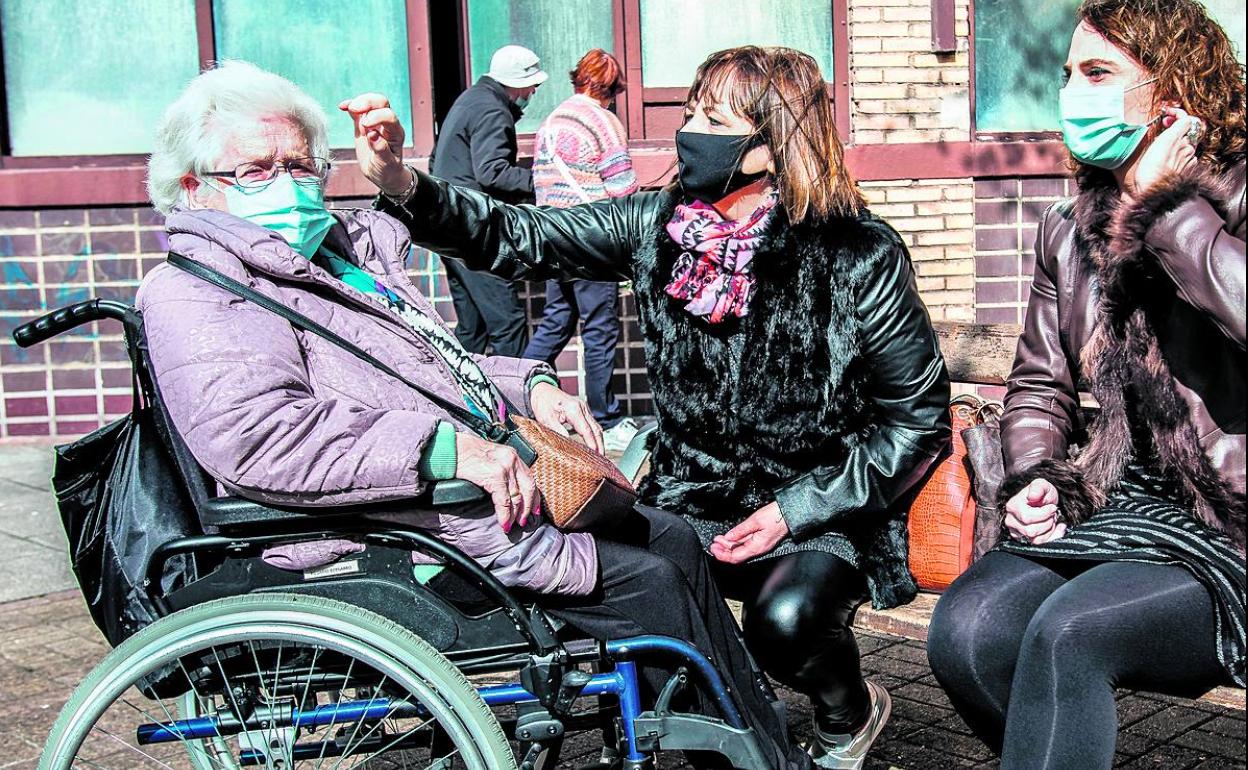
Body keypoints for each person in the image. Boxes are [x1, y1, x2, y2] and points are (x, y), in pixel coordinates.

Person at [139, 60, 812, 770]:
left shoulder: (328, 264)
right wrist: (446, 450)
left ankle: (751, 743)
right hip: (393, 529)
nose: (287, 183)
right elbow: (260, 437)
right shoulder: (199, 292)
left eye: (299, 165)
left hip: (460, 504)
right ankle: (740, 751)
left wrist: (534, 386)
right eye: (254, 171)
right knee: (651, 584)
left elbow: (436, 369)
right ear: (193, 187)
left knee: (671, 539)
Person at [345, 44, 950, 768]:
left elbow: (915, 421)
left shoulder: (856, 253)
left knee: (785, 622)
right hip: (691, 491)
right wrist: (404, 183)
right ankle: (722, 742)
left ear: (768, 147)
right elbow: (519, 234)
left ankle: (846, 711)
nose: (688, 130)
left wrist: (796, 509)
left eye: (711, 118)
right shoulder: (655, 227)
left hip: (819, 499)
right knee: (618, 590)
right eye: (689, 110)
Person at [926, 1, 1246, 767]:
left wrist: (1169, 212)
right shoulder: (1070, 227)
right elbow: (1040, 383)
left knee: (1070, 631)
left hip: (1231, 521)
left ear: (1174, 92)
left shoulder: (1234, 195)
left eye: (1098, 73)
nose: (1073, 92)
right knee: (967, 634)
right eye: (1068, 74)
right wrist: (1039, 475)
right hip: (1129, 507)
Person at [526, 48, 640, 453]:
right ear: (610, 89)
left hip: (554, 234)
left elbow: (540, 183)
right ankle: (606, 419)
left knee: (557, 318)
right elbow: (623, 190)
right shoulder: (604, 122)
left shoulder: (552, 121)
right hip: (591, 238)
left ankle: (519, 395)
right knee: (600, 327)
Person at [432, 44, 546, 356]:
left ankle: (454, 400)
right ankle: (519, 400)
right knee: (507, 324)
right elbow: (492, 172)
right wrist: (543, 182)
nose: (534, 90)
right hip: (471, 232)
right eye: (533, 84)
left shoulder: (471, 99)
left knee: (473, 328)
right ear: (517, 83)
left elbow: (440, 162)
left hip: (447, 227)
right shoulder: (493, 109)